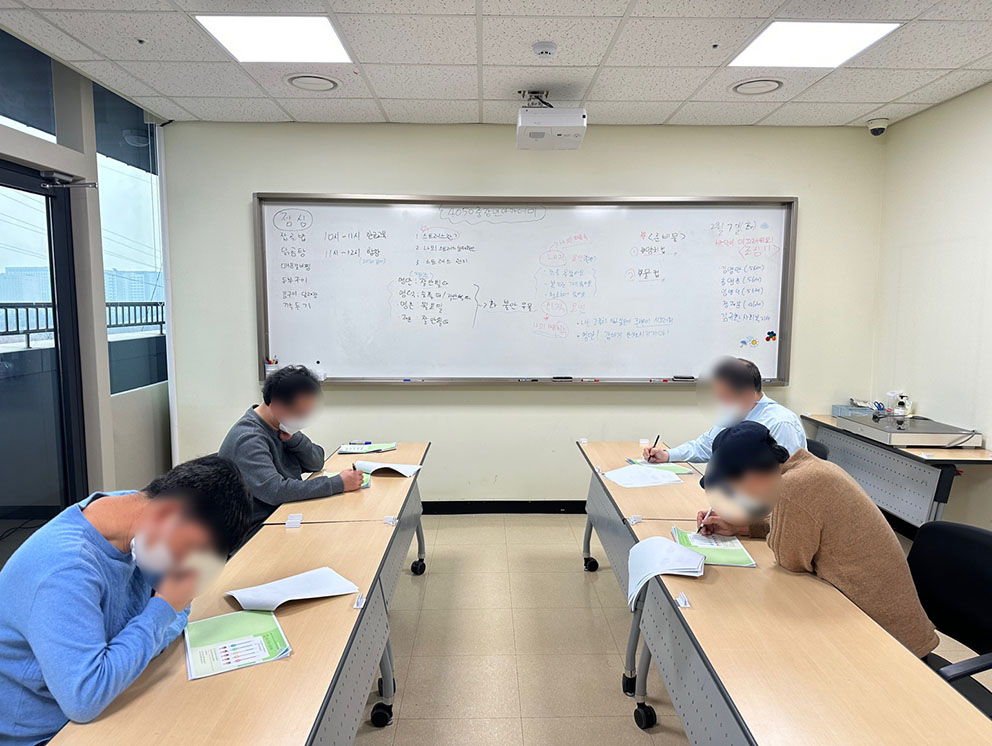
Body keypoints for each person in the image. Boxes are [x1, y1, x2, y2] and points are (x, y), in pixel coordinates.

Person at [0, 456, 251, 746]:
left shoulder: (138, 516)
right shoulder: (65, 569)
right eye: (189, 550)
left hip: (107, 699)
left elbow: (180, 610)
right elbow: (85, 697)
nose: (183, 566)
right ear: (168, 513)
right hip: (45, 732)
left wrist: (158, 618)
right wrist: (162, 608)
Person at [696, 421, 938, 658]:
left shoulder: (794, 486)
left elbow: (789, 560)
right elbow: (799, 522)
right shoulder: (807, 467)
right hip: (872, 619)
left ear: (752, 474)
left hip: (888, 642)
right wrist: (744, 526)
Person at [219, 365, 364, 531]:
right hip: (257, 527)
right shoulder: (249, 439)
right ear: (276, 406)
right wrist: (338, 483)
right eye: (300, 413)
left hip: (283, 512)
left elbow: (316, 462)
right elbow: (275, 491)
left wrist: (295, 439)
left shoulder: (279, 425)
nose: (303, 419)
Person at [643, 357, 806, 463]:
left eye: (724, 396)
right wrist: (667, 455)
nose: (720, 402)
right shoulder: (734, 412)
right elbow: (705, 446)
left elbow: (788, 479)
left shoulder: (780, 423)